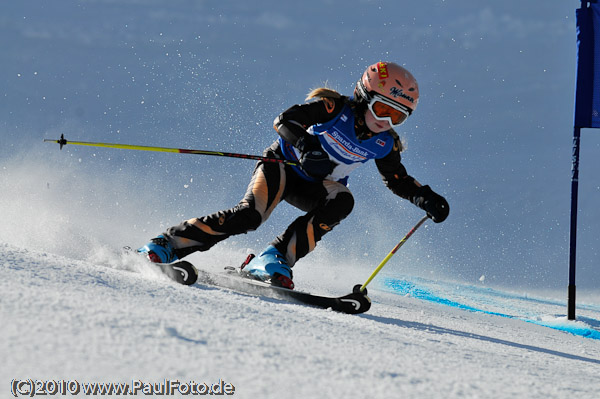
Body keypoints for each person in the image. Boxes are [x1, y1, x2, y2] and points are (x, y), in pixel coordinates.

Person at [137, 61, 449, 289]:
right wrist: (306, 145)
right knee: (249, 217)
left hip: (318, 187)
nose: (387, 120)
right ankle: (168, 243)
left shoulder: (384, 143)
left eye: (398, 116)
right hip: (282, 168)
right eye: (383, 109)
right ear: (364, 95)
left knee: (343, 201)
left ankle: (274, 258)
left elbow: (397, 179)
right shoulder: (332, 108)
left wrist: (425, 197)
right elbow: (286, 120)